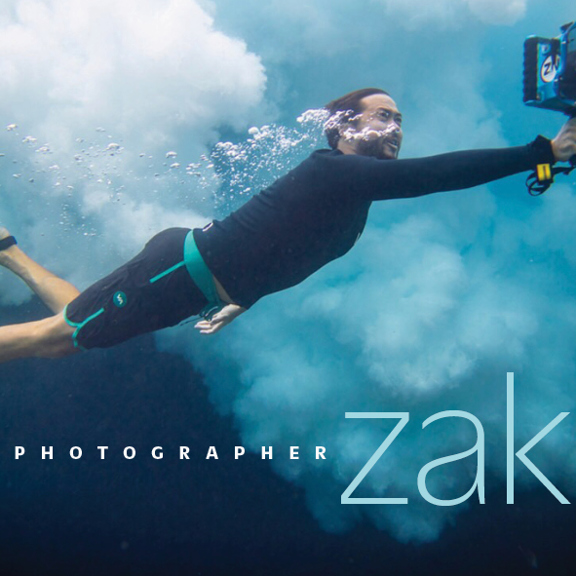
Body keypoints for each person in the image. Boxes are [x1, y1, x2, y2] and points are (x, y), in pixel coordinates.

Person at [1, 88, 575, 364]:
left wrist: (243, 297)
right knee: (57, 339)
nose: (397, 128)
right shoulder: (334, 173)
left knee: (66, 337)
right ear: (344, 126)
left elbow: (291, 253)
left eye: (402, 119)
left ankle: (9, 253)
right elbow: (436, 176)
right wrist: (541, 150)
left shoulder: (355, 198)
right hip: (175, 272)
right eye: (384, 116)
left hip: (194, 284)